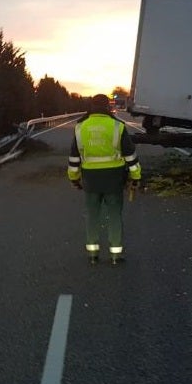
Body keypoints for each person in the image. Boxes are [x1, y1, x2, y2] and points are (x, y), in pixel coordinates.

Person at [67, 94, 142, 264]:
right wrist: (135, 178)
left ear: (91, 107)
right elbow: (130, 156)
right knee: (114, 215)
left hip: (90, 179)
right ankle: (116, 255)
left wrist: (74, 178)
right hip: (114, 179)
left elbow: (74, 158)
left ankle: (93, 255)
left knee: (92, 216)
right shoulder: (118, 126)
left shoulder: (80, 127)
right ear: (107, 107)